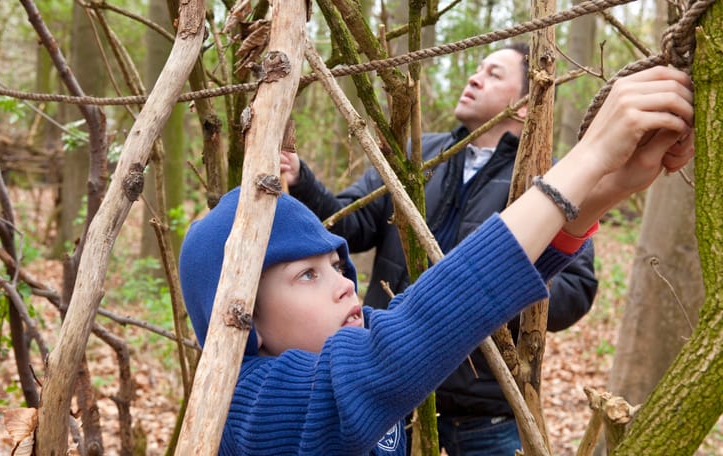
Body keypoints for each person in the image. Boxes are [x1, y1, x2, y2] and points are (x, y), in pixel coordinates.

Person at [179, 65, 694, 455]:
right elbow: (407, 337)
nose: (344, 284)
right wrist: (588, 158)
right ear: (243, 319)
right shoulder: (251, 405)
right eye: (307, 274)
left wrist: (604, 190)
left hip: (483, 407)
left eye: (336, 266)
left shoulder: (328, 357)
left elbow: (456, 313)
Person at [280, 43, 597, 454]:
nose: (474, 78)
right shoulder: (417, 154)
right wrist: (301, 179)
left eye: (494, 74)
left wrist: (495, 289)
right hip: (393, 393)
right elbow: (350, 226)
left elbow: (575, 290)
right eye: (477, 68)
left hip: (483, 409)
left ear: (524, 105)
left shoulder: (546, 182)